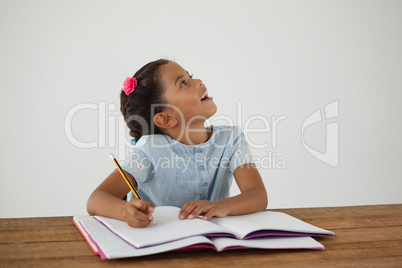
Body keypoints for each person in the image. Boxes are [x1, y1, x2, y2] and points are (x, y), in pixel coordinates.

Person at [87, 59, 268, 228]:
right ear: (166, 119)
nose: (198, 81)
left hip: (212, 242)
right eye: (183, 83)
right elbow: (96, 199)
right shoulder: (150, 150)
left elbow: (257, 194)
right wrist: (125, 211)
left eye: (189, 76)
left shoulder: (231, 139)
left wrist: (221, 206)